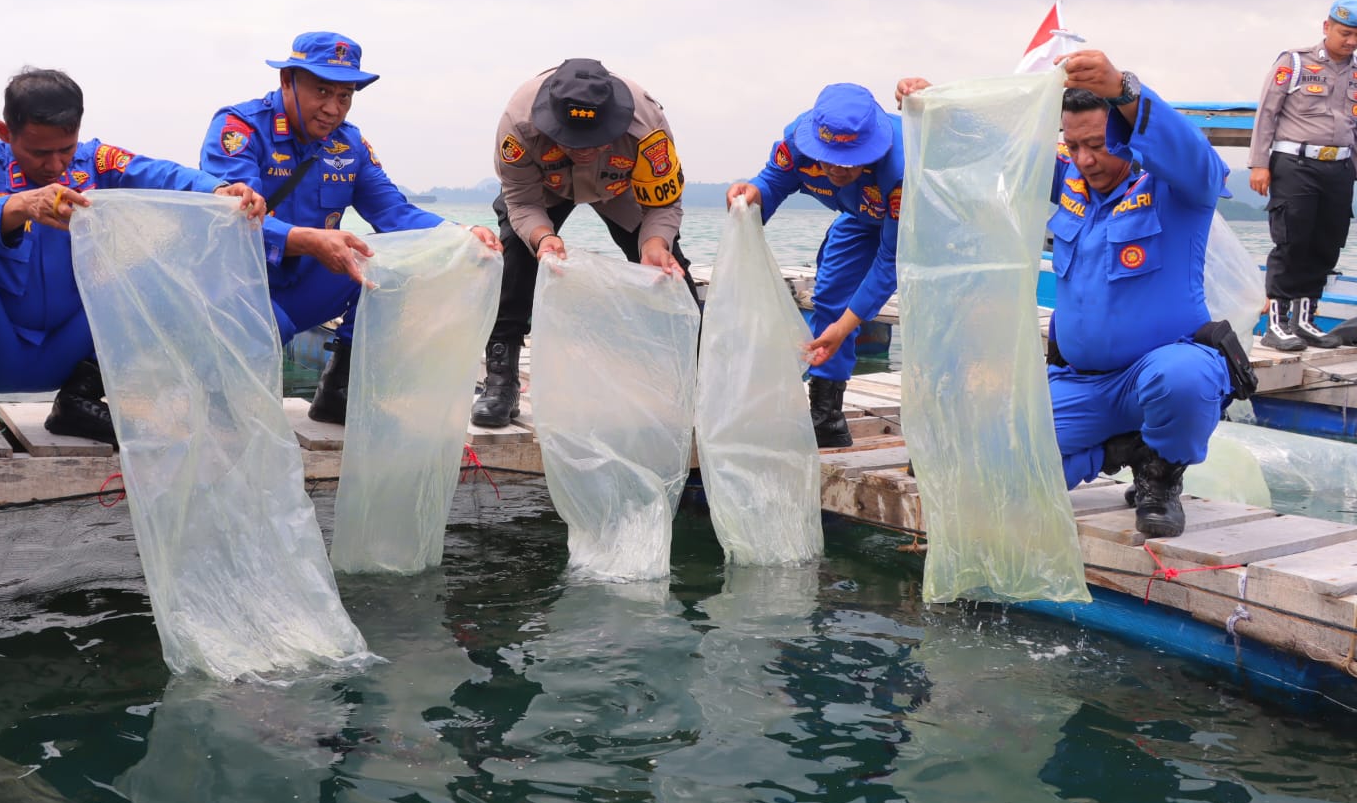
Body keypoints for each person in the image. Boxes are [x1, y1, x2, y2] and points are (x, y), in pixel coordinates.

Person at [899, 51, 1235, 538]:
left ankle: (1160, 478)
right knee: (992, 475)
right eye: (1072, 145)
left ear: (1123, 133)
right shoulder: (1072, 179)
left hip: (1159, 371)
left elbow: (1199, 159)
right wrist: (937, 109)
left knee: (1184, 379)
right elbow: (1000, 148)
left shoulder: (1176, 187)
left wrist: (1124, 88)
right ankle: (1122, 451)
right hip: (1082, 383)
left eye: (1098, 145)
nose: (1085, 159)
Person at [0, 68, 265, 454]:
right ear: (4, 131)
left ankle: (78, 401)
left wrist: (218, 189)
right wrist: (23, 204)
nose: (56, 165)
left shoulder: (98, 161)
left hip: (70, 345)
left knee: (155, 273)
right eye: (40, 152)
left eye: (66, 149)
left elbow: (163, 174)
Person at [200, 31, 499, 425]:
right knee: (225, 416)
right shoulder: (241, 129)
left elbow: (394, 212)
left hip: (303, 286)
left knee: (393, 257)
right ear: (286, 81)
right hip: (239, 287)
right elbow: (236, 218)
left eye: (344, 96)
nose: (332, 108)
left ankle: (339, 387)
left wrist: (461, 232)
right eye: (321, 91)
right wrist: (310, 240)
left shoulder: (349, 145)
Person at [471, 58, 697, 428]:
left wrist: (655, 243)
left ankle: (694, 376)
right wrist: (543, 238)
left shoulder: (647, 129)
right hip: (546, 186)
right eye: (571, 140)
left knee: (668, 270)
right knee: (514, 255)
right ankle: (501, 379)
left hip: (621, 187)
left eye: (594, 140)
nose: (583, 149)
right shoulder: (519, 123)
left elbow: (663, 203)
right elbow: (522, 200)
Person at [725, 84, 904, 449]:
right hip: (860, 215)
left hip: (925, 227)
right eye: (829, 158)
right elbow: (773, 181)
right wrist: (753, 194)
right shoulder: (797, 143)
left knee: (932, 319)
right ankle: (827, 419)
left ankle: (935, 437)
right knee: (831, 294)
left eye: (849, 160)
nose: (836, 169)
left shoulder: (899, 168)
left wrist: (846, 326)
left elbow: (892, 261)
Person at [1247, 0, 1357, 351]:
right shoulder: (1295, 63)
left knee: (1325, 245)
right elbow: (1267, 114)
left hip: (1339, 167)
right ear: (1327, 28)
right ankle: (1276, 326)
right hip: (1296, 165)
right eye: (1345, 33)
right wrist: (1259, 164)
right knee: (1292, 242)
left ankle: (1305, 321)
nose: (1351, 41)